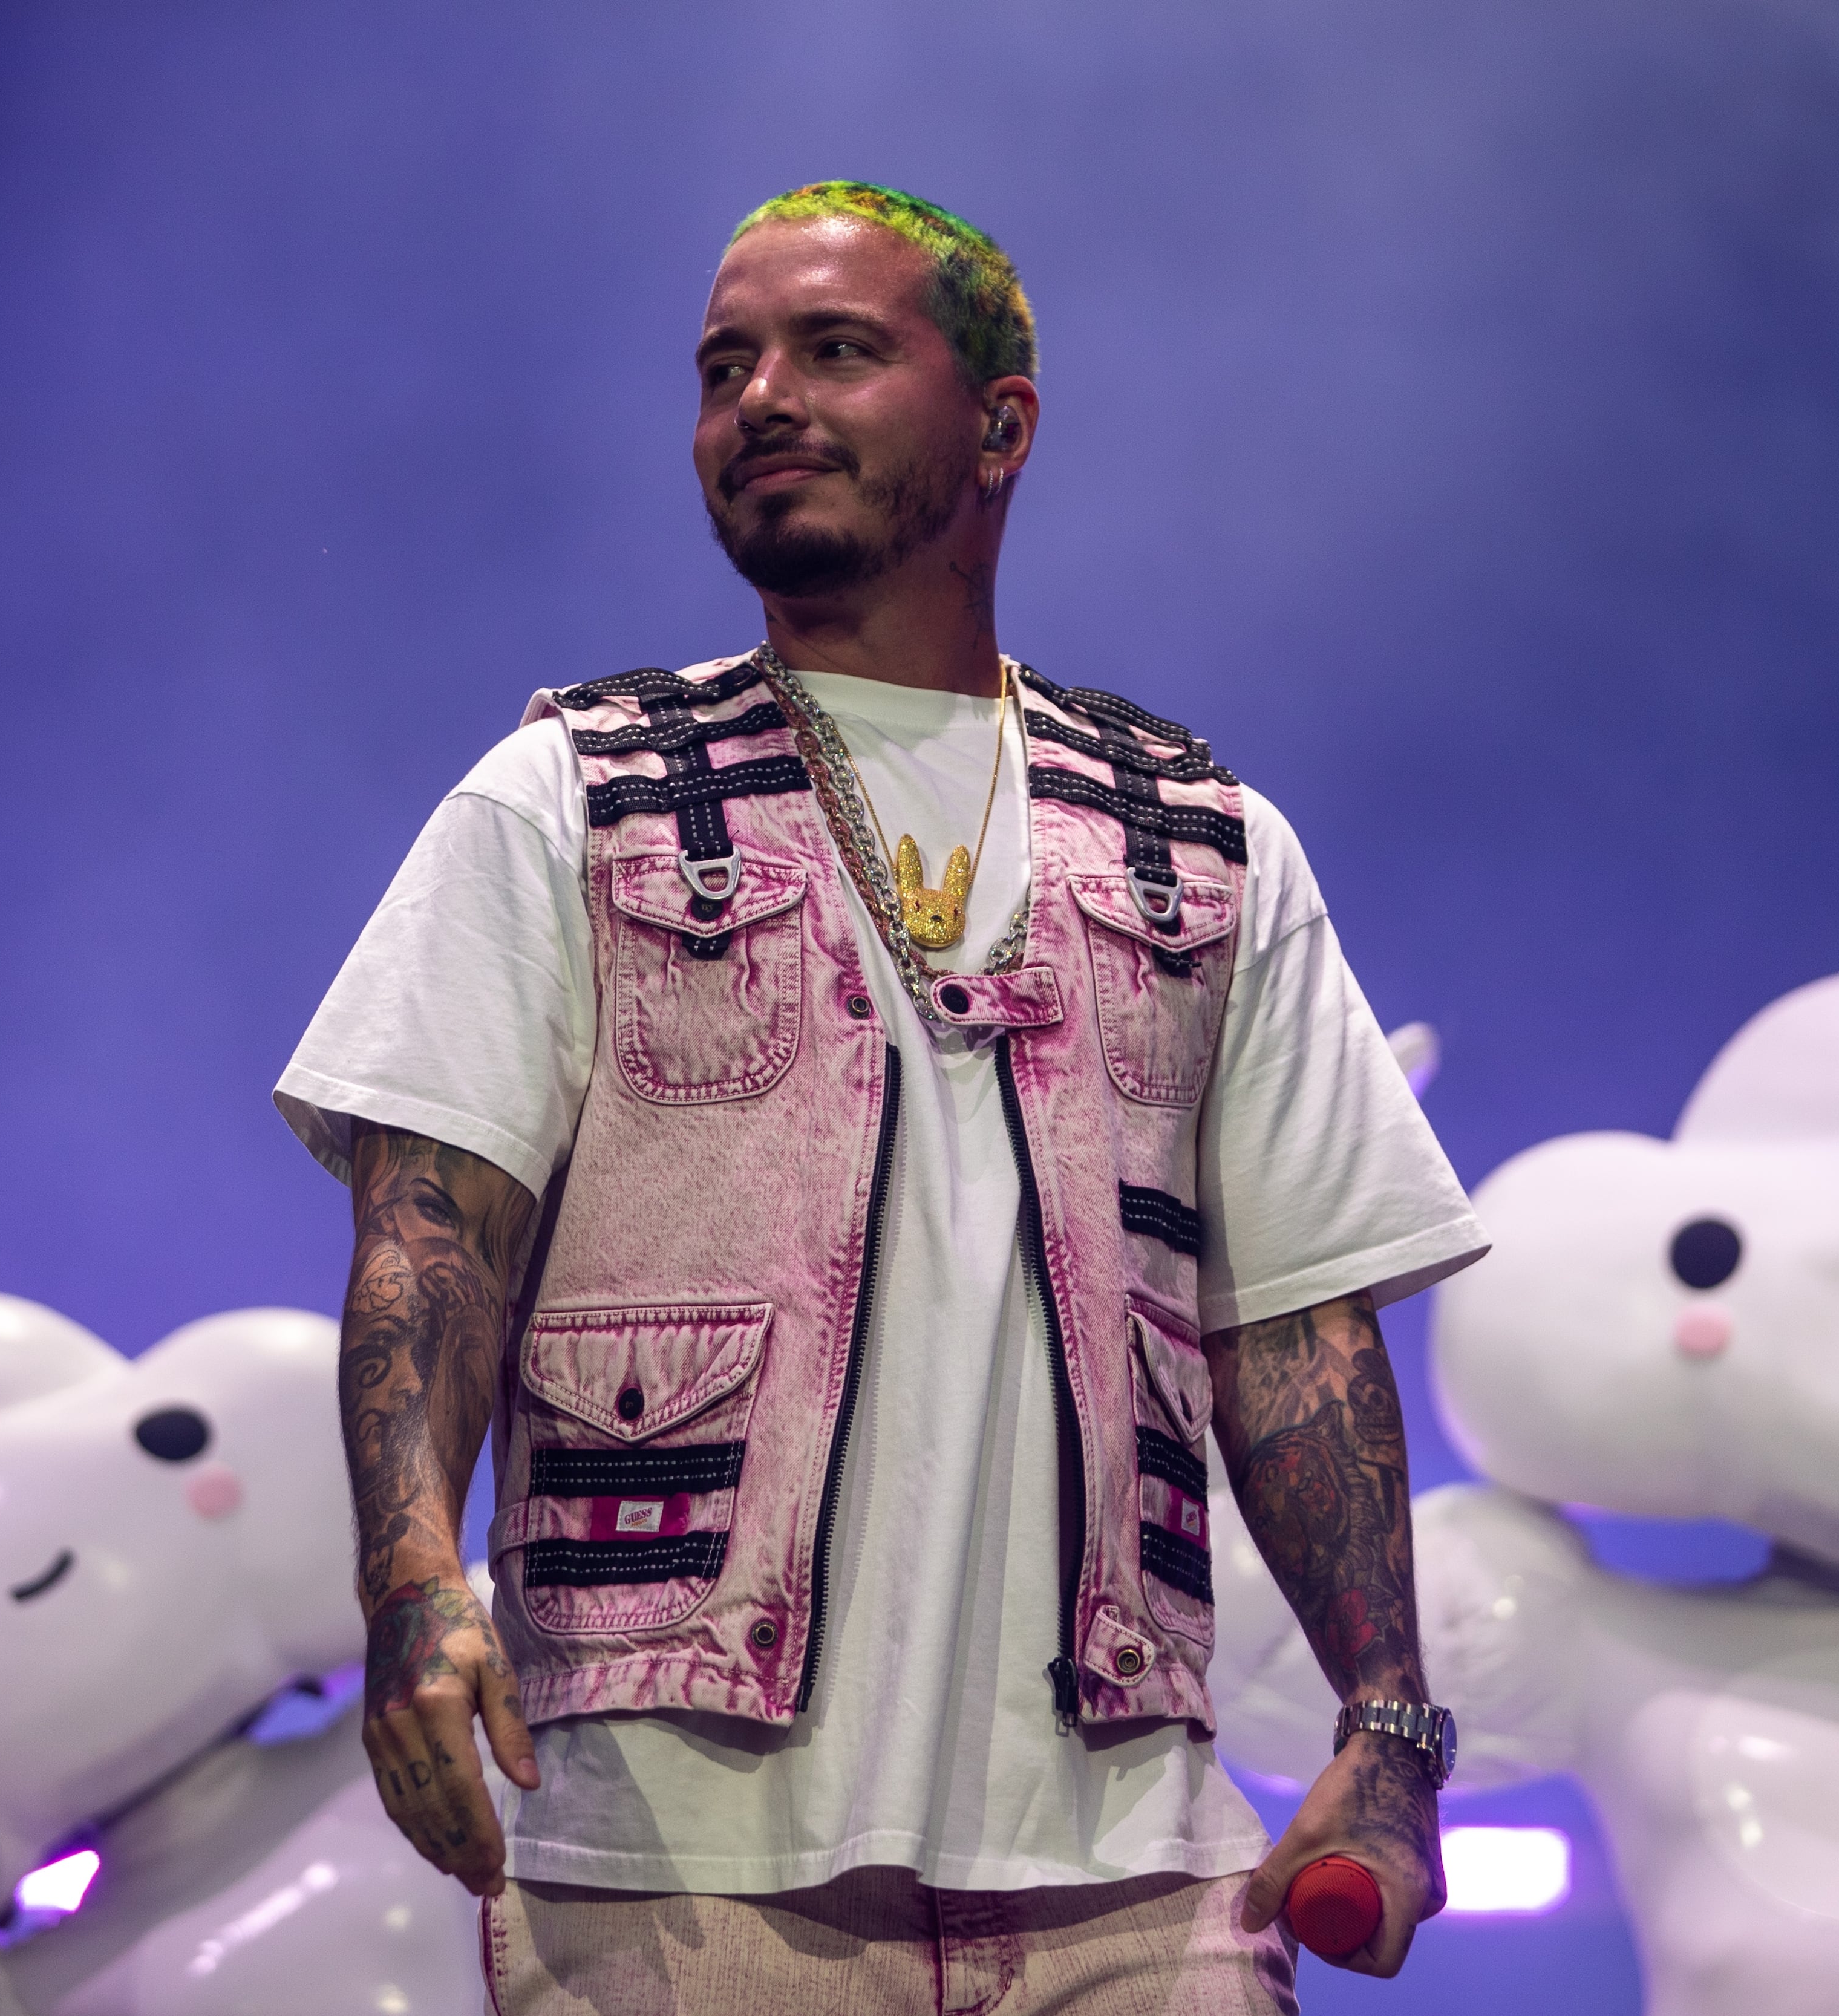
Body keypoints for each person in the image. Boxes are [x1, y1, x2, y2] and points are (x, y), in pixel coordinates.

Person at [276, 181, 1488, 2012]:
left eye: (836, 349)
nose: (761, 397)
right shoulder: (572, 797)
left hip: (1140, 1880)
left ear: (1001, 424)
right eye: (723, 364)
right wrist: (408, 1583)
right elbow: (429, 1239)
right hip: (686, 1884)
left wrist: (1387, 1726)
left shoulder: (1199, 843)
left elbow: (1299, 1330)